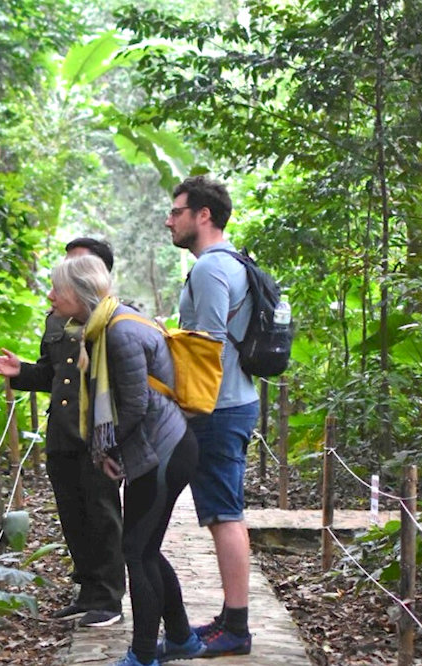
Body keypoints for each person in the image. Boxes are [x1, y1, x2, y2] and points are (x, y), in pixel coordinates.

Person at [54, 254, 205, 666]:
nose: (51, 297)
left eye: (57, 290)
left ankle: (143, 654)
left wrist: (105, 449)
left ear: (79, 293)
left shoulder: (118, 332)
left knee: (137, 551)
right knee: (145, 548)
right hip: (156, 449)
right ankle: (181, 639)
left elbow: (136, 405)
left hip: (165, 450)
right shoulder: (104, 327)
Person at [0, 238, 125, 628]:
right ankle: (87, 593)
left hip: (98, 434)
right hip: (62, 430)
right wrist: (21, 372)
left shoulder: (117, 320)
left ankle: (108, 598)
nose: (65, 277)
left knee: (102, 514)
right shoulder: (56, 319)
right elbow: (54, 374)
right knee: (73, 515)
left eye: (78, 266)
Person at [164, 175, 259, 657]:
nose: (169, 220)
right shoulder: (235, 262)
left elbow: (208, 345)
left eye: (176, 211)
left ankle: (236, 628)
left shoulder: (209, 269)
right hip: (232, 400)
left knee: (225, 515)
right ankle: (229, 617)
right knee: (224, 511)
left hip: (219, 407)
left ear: (203, 215)